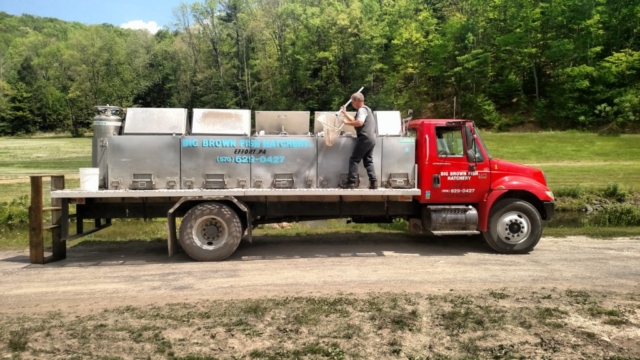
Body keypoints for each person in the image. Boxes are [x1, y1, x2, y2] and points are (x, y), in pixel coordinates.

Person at [338, 92, 377, 189]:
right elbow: (355, 119)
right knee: (368, 161)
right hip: (371, 138)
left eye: (352, 102)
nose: (352, 104)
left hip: (364, 138)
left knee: (354, 159)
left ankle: (351, 182)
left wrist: (345, 122)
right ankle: (374, 182)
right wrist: (345, 113)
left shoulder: (362, 110)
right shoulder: (367, 109)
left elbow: (359, 122)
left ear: (357, 100)